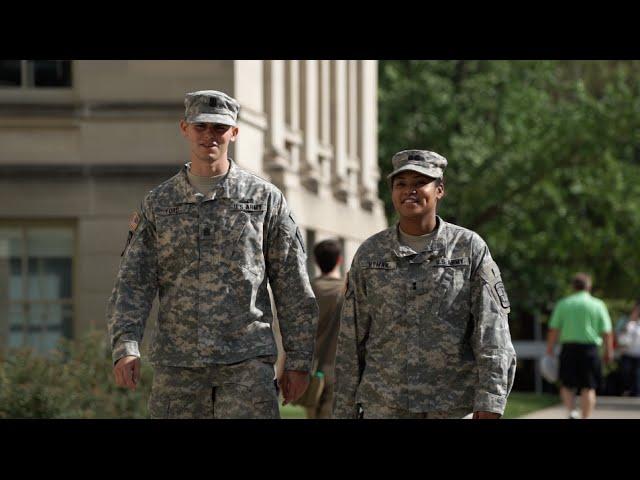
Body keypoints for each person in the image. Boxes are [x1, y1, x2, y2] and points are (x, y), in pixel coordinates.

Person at [106, 90, 318, 419]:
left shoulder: (264, 200)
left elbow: (292, 284)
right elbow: (134, 282)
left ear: (234, 132)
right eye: (201, 126)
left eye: (219, 128)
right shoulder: (159, 204)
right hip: (179, 370)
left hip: (246, 368)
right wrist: (125, 346)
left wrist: (299, 360)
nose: (209, 136)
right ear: (184, 128)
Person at [333, 149, 516, 419]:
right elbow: (351, 337)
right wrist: (343, 410)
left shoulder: (468, 249)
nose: (410, 191)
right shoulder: (370, 254)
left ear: (439, 189)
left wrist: (490, 400)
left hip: (451, 406)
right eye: (401, 184)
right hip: (384, 405)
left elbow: (492, 332)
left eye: (420, 183)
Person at [545, 273, 613, 419]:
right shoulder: (598, 304)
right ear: (589, 286)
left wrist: (549, 349)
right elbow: (607, 332)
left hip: (569, 349)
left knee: (566, 384)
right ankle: (585, 417)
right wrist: (609, 351)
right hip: (591, 350)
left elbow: (553, 329)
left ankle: (571, 412)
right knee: (588, 387)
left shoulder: (564, 303)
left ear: (573, 287)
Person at [294, 239, 345, 418]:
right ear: (339, 260)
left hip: (311, 367)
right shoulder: (348, 291)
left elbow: (294, 333)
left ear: (315, 261)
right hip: (340, 367)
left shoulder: (306, 291)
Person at [617, 300, 640, 396]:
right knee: (626, 373)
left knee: (637, 374)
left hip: (638, 353)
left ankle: (636, 393)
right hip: (626, 352)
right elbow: (618, 333)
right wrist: (630, 321)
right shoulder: (625, 320)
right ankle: (627, 390)